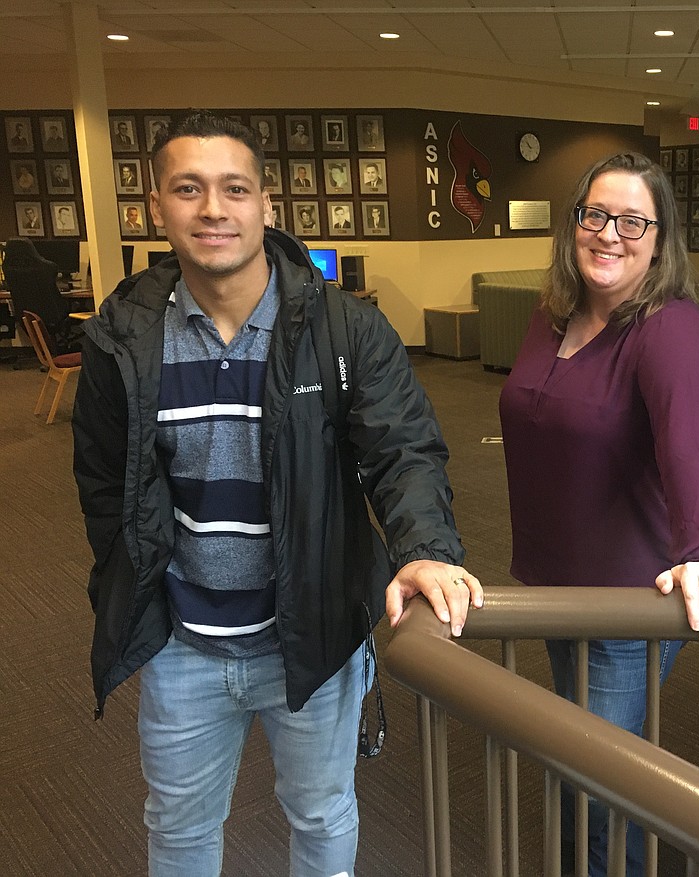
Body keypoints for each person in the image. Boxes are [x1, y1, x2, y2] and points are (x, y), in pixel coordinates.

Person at [72, 111, 482, 877]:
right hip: (180, 644)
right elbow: (102, 482)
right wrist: (133, 583)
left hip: (313, 634)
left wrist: (425, 550)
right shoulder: (123, 338)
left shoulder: (341, 327)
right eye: (187, 189)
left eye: (234, 188)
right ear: (157, 207)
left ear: (266, 204)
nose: (213, 209)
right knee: (180, 828)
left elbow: (405, 449)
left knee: (322, 815)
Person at [498, 152, 699, 877]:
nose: (611, 232)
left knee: (600, 785)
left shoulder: (668, 327)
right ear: (574, 224)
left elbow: (691, 447)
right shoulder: (553, 315)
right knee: (580, 768)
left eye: (633, 220)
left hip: (622, 602)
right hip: (550, 585)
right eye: (596, 214)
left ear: (660, 236)